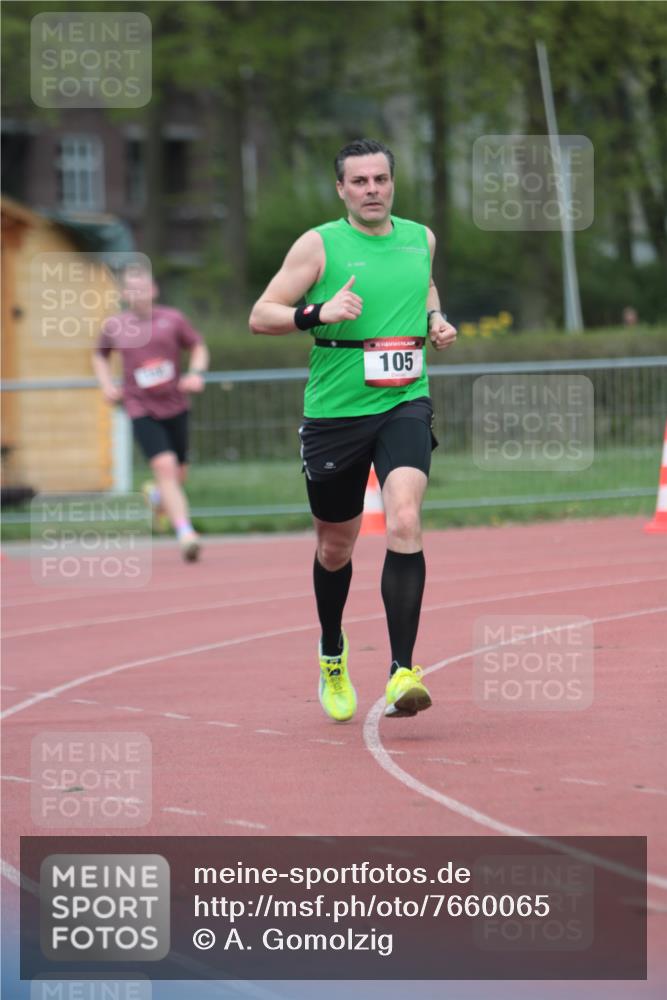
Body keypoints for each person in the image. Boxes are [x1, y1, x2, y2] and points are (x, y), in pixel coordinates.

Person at [249, 138, 457, 721]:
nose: (372, 190)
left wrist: (435, 319)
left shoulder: (421, 237)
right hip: (336, 415)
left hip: (404, 402)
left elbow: (425, 284)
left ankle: (401, 672)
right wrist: (316, 313)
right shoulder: (320, 245)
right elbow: (261, 313)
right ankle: (333, 652)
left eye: (380, 180)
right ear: (341, 188)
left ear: (393, 183)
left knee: (406, 517)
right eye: (360, 182)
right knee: (335, 546)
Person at [92, 266, 209, 562]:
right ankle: (185, 533)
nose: (137, 293)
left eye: (142, 287)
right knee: (167, 468)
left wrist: (195, 373)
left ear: (154, 290)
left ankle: (156, 497)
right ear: (122, 294)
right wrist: (106, 385)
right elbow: (99, 355)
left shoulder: (173, 319)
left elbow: (197, 346)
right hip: (140, 407)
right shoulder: (115, 326)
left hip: (176, 405)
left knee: (179, 472)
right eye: (131, 289)